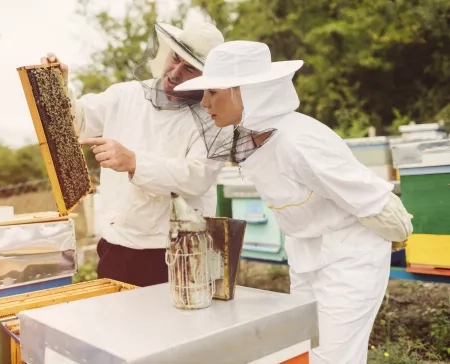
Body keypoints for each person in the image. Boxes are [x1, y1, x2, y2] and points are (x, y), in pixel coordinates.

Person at [174, 40, 413, 363]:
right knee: (301, 351)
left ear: (245, 92)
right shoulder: (256, 136)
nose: (204, 102)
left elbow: (374, 201)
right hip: (305, 253)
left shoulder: (301, 141)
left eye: (212, 92)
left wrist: (398, 233)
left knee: (333, 357)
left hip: (350, 256)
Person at [40, 22, 225, 287]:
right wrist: (59, 88)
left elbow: (196, 176)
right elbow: (77, 122)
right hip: (116, 246)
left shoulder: (213, 117)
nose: (175, 72)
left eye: (190, 68)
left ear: (206, 77)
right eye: (175, 59)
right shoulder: (125, 95)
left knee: (172, 328)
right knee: (114, 326)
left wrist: (134, 162)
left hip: (178, 251)